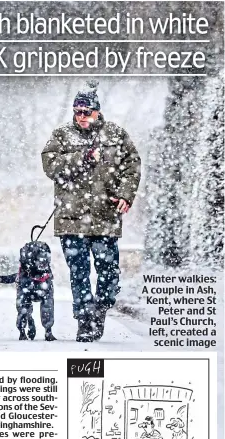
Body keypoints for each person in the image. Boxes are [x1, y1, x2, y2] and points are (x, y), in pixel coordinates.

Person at [41, 81, 141, 342]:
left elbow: (132, 166)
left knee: (109, 274)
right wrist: (82, 158)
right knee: (80, 273)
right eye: (77, 111)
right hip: (71, 218)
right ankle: (85, 321)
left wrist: (125, 195)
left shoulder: (116, 135)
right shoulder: (62, 135)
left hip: (106, 216)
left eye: (86, 111)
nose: (81, 116)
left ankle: (101, 308)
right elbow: (50, 166)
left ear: (97, 111)